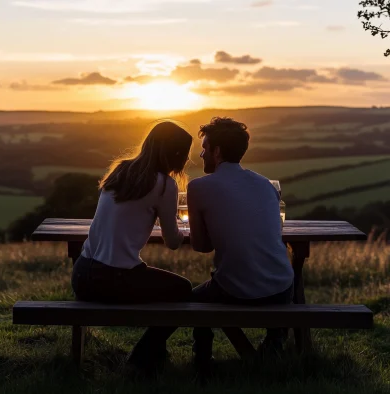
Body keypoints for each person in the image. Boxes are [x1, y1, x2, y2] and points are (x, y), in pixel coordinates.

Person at [70, 120, 193, 367]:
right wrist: (186, 232)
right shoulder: (164, 184)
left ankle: (157, 356)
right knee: (183, 289)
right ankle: (142, 357)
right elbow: (172, 242)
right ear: (176, 154)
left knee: (158, 284)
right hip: (115, 279)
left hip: (82, 274)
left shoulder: (120, 170)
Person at [187, 117, 294, 367]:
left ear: (217, 151)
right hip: (282, 288)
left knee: (190, 301)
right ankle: (272, 348)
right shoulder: (266, 185)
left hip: (235, 290)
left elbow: (201, 247)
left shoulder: (199, 187)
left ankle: (202, 363)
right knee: (273, 275)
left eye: (204, 148)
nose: (201, 154)